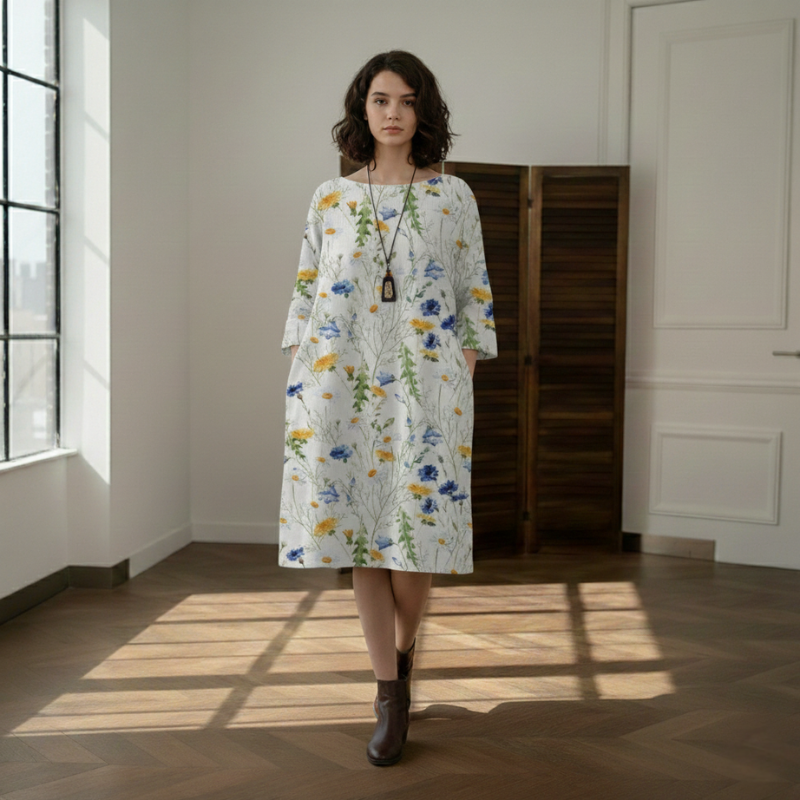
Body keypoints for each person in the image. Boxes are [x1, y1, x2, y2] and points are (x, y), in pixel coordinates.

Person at [279, 50, 497, 766]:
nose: (393, 112)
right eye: (380, 99)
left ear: (422, 110)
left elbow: (474, 294)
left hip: (425, 391)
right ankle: (388, 694)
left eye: (406, 100)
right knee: (359, 541)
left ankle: (402, 653)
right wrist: (304, 380)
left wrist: (460, 369)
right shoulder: (329, 198)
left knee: (415, 542)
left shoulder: (453, 196)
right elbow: (307, 293)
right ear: (362, 109)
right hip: (340, 388)